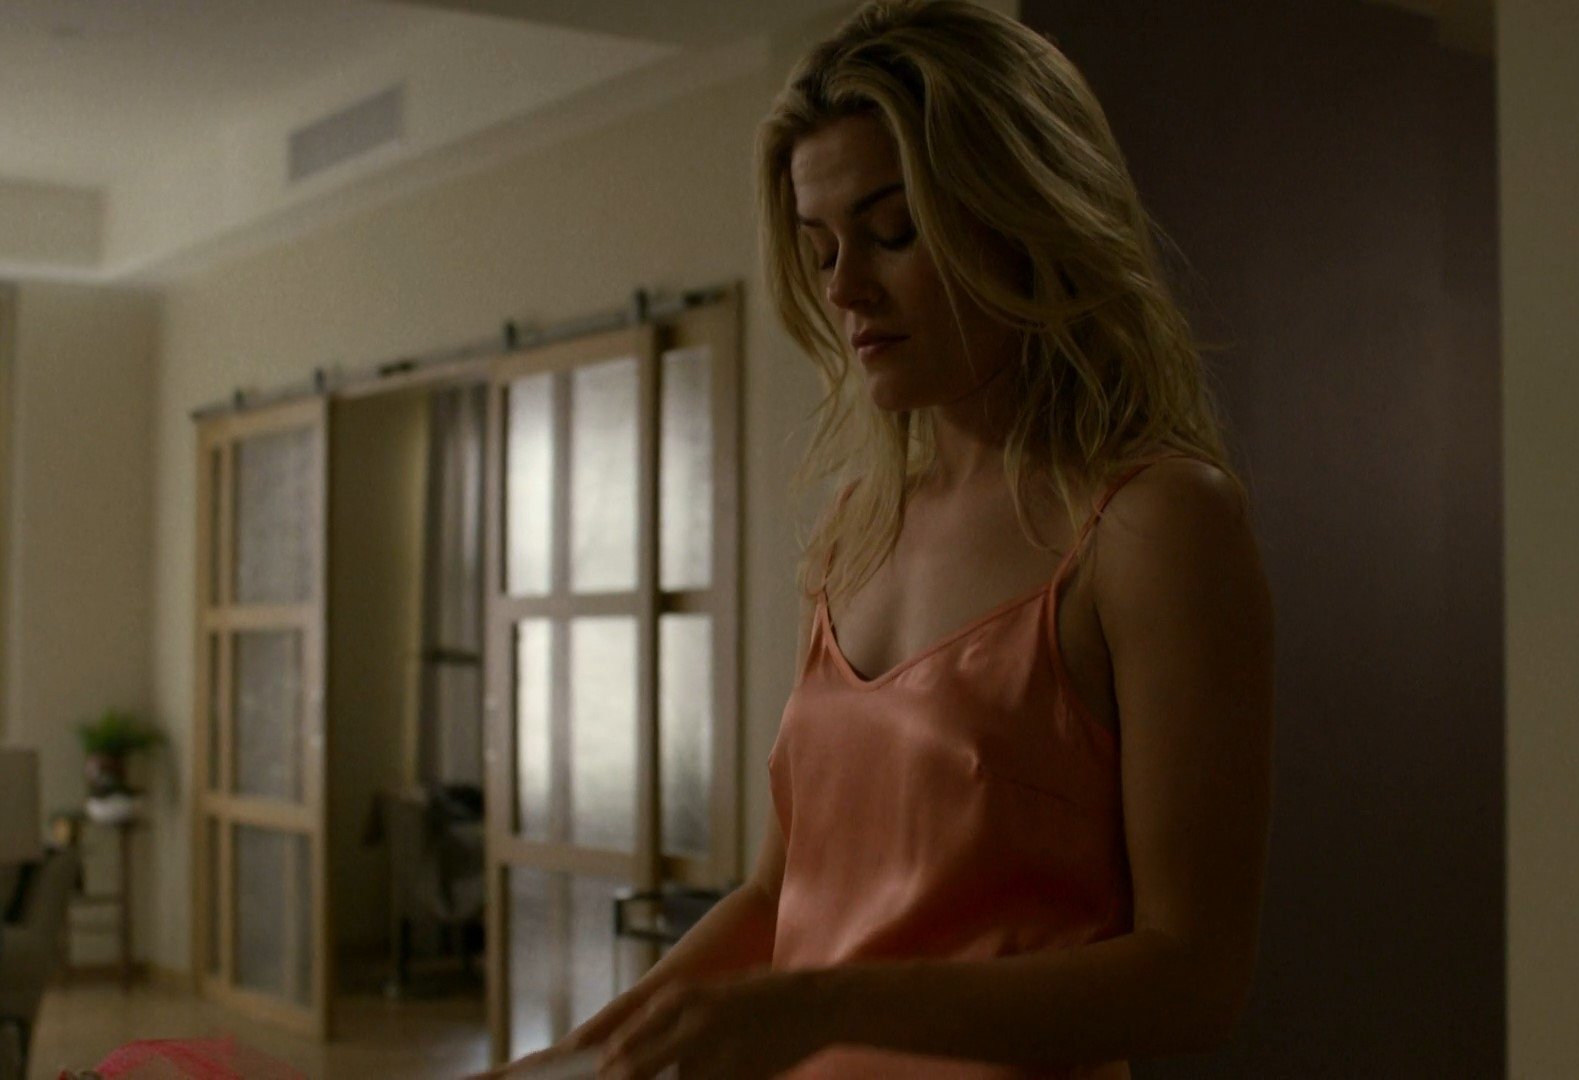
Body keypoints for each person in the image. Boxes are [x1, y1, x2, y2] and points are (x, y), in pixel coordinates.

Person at [474, 1, 1273, 1076]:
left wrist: (826, 1007)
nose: (846, 289)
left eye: (893, 233)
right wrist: (581, 1061)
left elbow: (1193, 980)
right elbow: (777, 896)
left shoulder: (1153, 525)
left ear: (1026, 216)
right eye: (821, 250)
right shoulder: (859, 526)